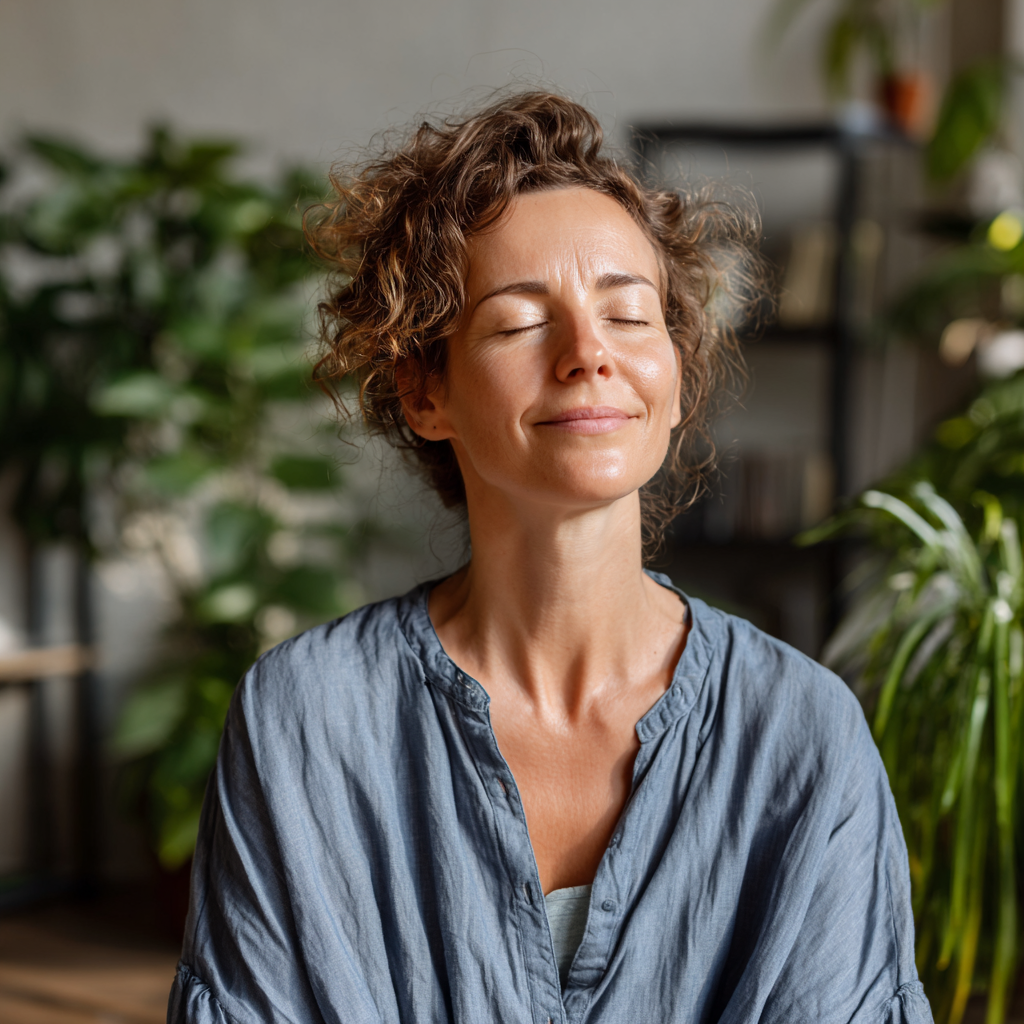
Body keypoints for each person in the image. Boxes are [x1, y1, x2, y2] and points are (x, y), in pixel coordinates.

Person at [167, 92, 932, 1024]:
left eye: (629, 315)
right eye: (522, 322)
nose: (587, 355)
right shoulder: (306, 723)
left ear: (678, 377)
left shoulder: (804, 736)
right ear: (424, 392)